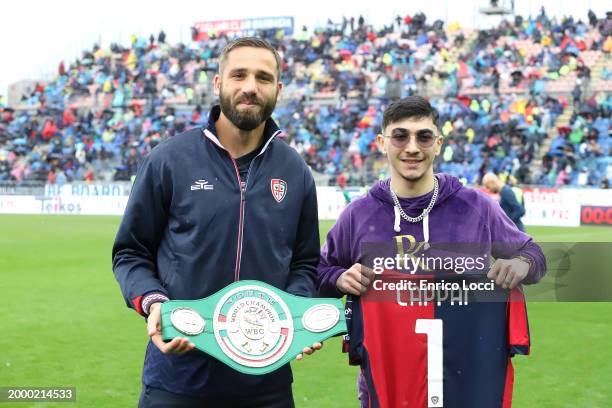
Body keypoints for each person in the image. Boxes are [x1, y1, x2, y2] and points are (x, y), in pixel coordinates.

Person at [112, 37, 321, 408]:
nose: (250, 87)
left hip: (266, 384)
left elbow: (304, 263)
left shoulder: (296, 171)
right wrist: (154, 302)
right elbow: (130, 252)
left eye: (263, 77)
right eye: (239, 74)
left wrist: (298, 312)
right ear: (218, 82)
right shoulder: (169, 160)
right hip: (177, 377)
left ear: (278, 89)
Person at [318, 96, 546, 408]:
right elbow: (317, 271)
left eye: (424, 136)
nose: (412, 147)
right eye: (400, 136)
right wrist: (340, 278)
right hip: (389, 389)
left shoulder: (476, 207)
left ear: (438, 144)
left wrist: (522, 263)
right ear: (382, 142)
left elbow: (533, 254)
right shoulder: (358, 214)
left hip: (466, 384)